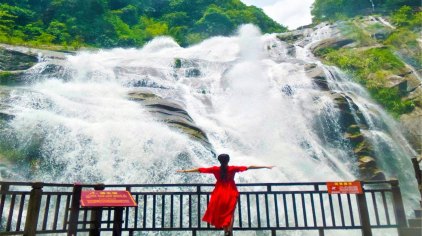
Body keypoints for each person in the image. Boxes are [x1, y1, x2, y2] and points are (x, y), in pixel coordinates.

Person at [176, 154, 273, 236]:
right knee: (230, 214)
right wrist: (266, 166)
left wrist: (185, 171)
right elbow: (250, 166)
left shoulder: (215, 169)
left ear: (219, 161)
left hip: (219, 193)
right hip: (231, 192)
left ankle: (225, 231)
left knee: (222, 213)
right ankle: (229, 232)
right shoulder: (232, 168)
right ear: (228, 160)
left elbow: (200, 170)